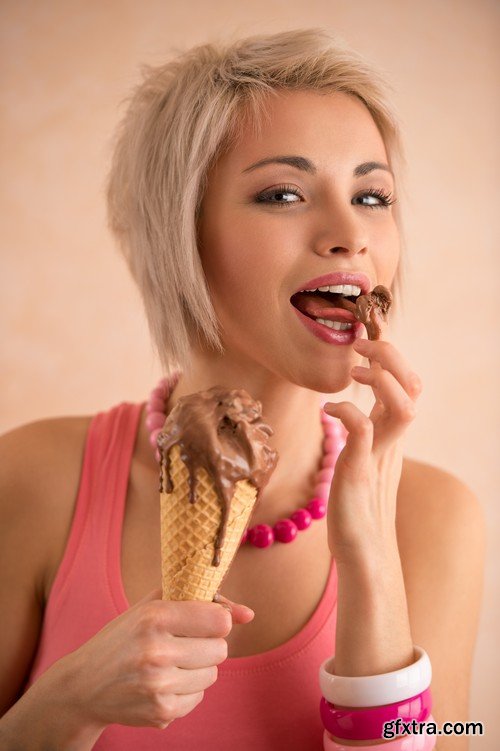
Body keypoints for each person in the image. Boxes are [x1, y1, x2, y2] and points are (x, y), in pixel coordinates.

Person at [0, 27, 485, 751]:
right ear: (179, 234)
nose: (350, 232)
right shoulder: (36, 478)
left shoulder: (437, 519)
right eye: (284, 192)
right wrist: (70, 699)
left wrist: (372, 559)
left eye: (373, 194)